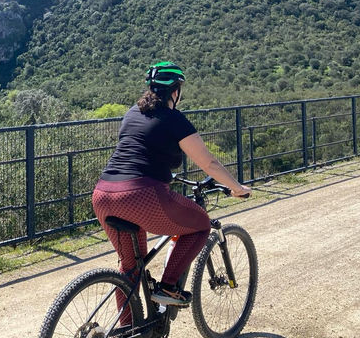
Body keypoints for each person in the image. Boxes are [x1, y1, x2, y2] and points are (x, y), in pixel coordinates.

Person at [92, 62, 251, 308]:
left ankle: (127, 330)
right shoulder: (175, 120)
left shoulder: (132, 112)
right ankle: (168, 287)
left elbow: (140, 151)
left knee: (130, 270)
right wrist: (238, 187)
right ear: (175, 92)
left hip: (103, 194)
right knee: (200, 225)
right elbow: (208, 163)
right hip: (140, 194)